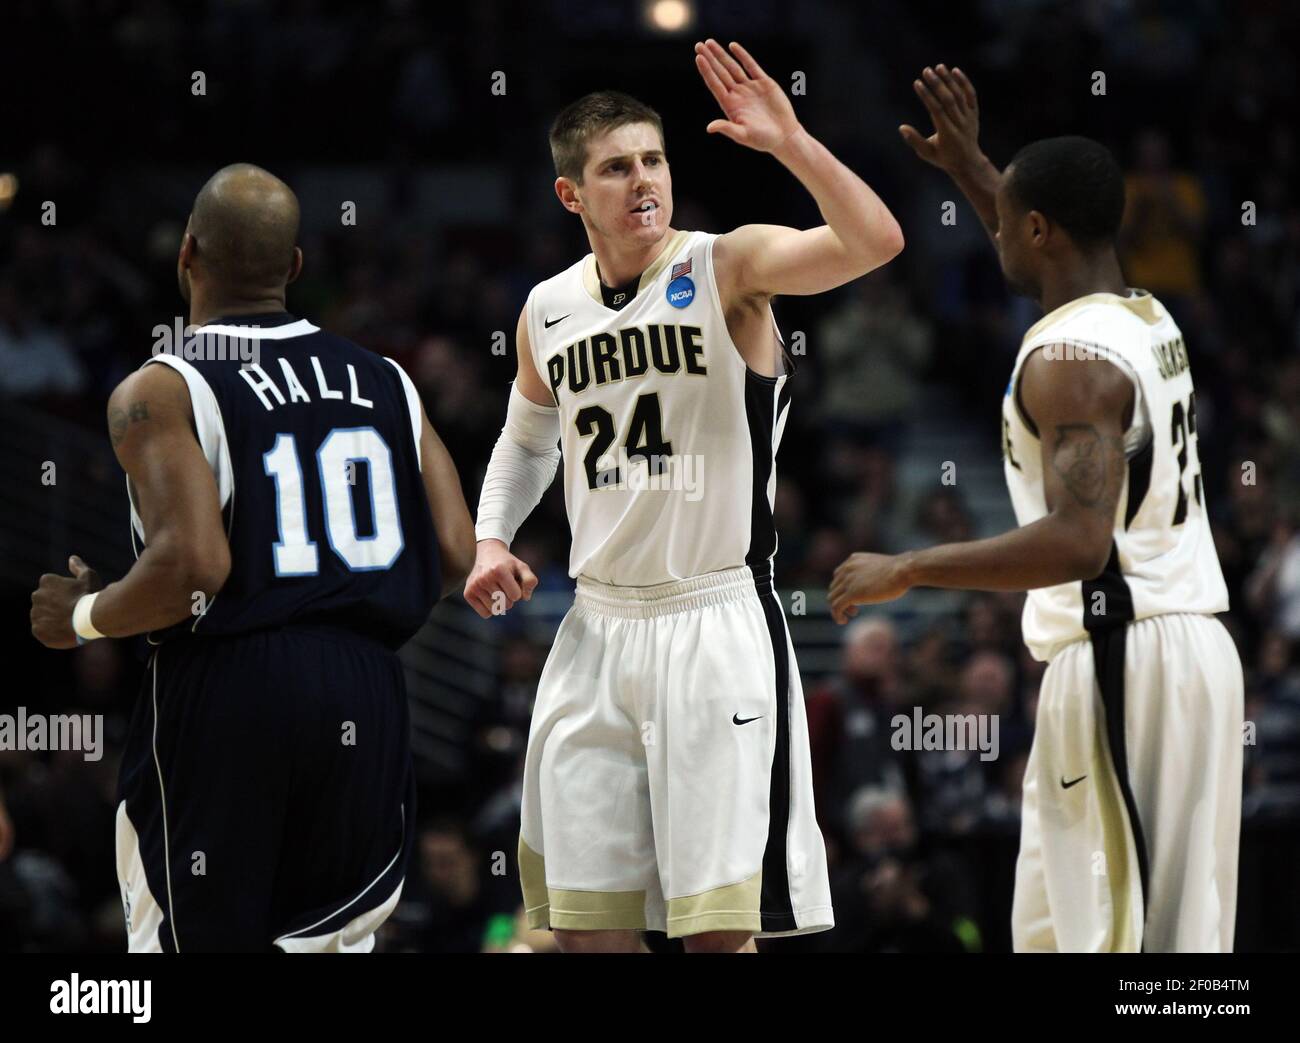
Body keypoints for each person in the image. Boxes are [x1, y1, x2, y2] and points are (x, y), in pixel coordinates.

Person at [464, 39, 903, 953]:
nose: (642, 181)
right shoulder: (546, 309)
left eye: (653, 160)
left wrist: (791, 145)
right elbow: (527, 435)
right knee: (588, 932)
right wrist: (491, 535)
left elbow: (874, 241)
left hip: (713, 619)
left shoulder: (727, 267)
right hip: (593, 627)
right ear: (570, 195)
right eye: (616, 168)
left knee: (717, 936)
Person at [830, 65, 1242, 952]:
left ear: (1040, 228)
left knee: (1140, 957)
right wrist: (976, 169)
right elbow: (1040, 244)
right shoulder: (1142, 314)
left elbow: (1078, 542)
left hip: (1129, 654)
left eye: (1009, 218)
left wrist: (907, 566)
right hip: (1162, 650)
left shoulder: (1069, 361)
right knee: (1064, 935)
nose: (997, 235)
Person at [30, 164, 476, 952]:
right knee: (329, 940)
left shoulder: (164, 387)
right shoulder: (388, 380)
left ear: (186, 256)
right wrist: (344, 610)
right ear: (296, 266)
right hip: (367, 691)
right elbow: (454, 551)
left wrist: (84, 618)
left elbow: (193, 567)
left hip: (233, 691)